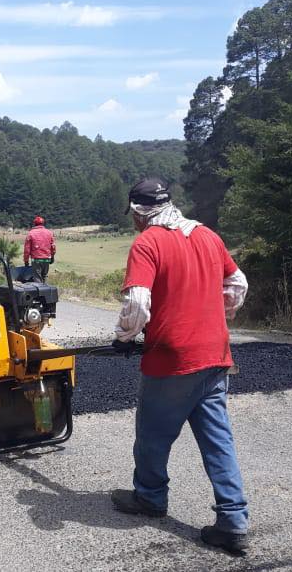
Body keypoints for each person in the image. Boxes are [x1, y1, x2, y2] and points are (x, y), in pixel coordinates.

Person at [109, 177, 251, 554]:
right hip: (215, 354)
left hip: (173, 359)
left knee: (153, 436)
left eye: (133, 217)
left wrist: (125, 336)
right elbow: (237, 283)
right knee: (218, 441)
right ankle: (233, 520)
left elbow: (138, 303)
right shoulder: (207, 236)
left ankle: (150, 498)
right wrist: (213, 315)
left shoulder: (147, 242)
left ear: (138, 212)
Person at [23, 215, 56, 283]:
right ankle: (46, 292)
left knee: (37, 277)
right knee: (45, 276)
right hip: (46, 259)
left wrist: (26, 261)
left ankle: (39, 293)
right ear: (43, 223)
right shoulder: (49, 233)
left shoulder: (31, 233)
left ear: (35, 224)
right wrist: (52, 257)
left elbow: (27, 249)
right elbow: (53, 247)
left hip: (36, 260)